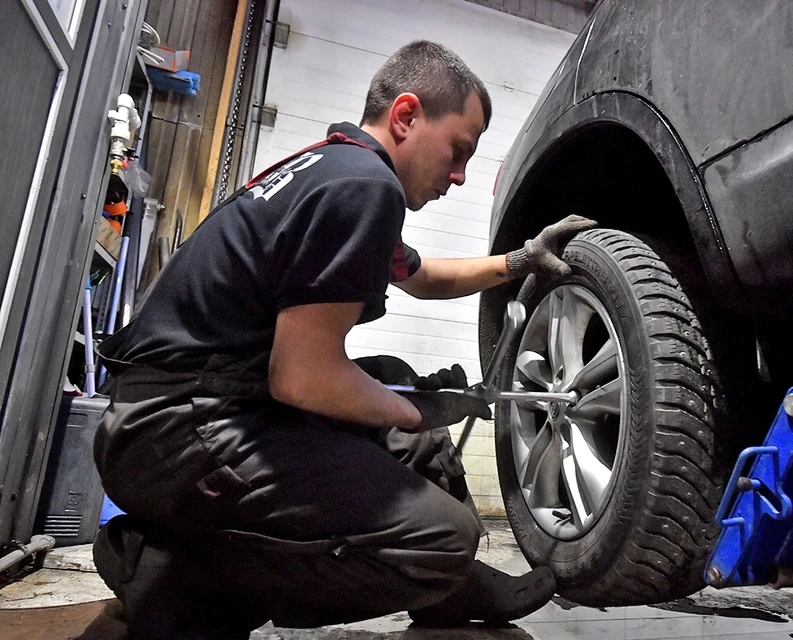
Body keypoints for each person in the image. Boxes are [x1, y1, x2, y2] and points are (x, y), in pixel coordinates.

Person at [91, 40, 595, 638]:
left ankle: (448, 593)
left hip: (182, 418)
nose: (459, 177)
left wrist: (517, 261)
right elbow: (303, 377)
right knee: (440, 538)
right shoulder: (363, 186)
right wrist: (416, 409)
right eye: (458, 152)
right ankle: (177, 576)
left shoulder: (334, 167)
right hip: (178, 432)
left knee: (399, 400)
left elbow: (422, 276)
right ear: (406, 116)